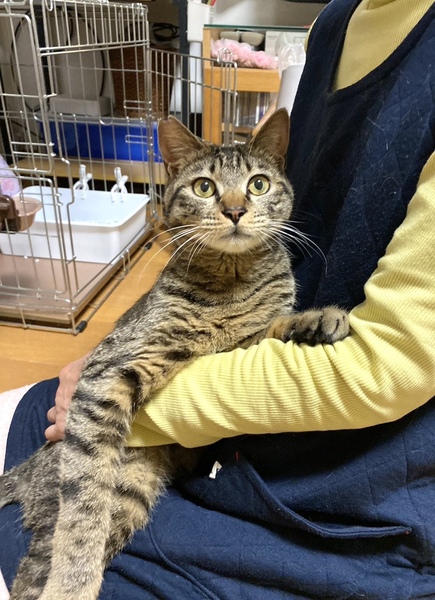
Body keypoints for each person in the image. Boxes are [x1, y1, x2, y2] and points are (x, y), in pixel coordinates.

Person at [1, 0, 435, 597]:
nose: (234, 207)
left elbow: (390, 366)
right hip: (228, 438)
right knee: (39, 419)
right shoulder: (331, 25)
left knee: (47, 499)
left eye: (256, 185)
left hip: (358, 477)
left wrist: (131, 407)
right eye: (206, 188)